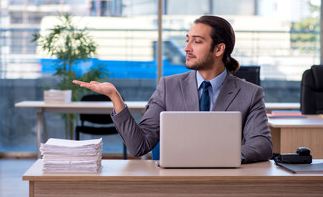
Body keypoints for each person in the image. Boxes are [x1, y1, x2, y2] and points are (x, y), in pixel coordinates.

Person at [73, 15, 273, 163]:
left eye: (197, 41)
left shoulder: (250, 93)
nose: (187, 48)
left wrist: (222, 158)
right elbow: (139, 146)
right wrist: (115, 97)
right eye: (188, 40)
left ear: (219, 49)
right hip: (175, 181)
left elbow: (262, 145)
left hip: (225, 182)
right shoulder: (168, 86)